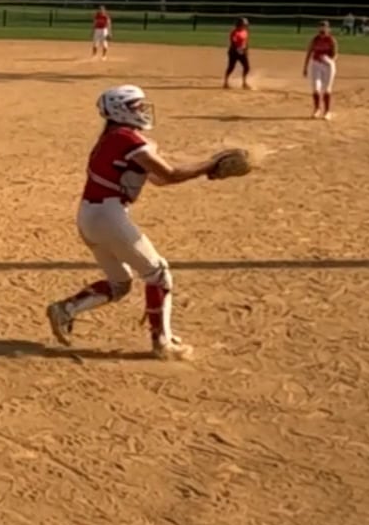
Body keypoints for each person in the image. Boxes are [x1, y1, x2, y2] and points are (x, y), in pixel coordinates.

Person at [45, 85, 231, 361]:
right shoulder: (125, 139)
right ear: (119, 110)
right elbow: (169, 174)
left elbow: (157, 179)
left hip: (91, 215)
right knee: (158, 274)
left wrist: (203, 171)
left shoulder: (116, 137)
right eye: (136, 106)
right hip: (108, 215)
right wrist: (210, 164)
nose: (142, 110)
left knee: (119, 284)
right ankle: (162, 342)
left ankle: (66, 309)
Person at [304, 20, 338, 119]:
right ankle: (317, 109)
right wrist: (305, 67)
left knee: (327, 89)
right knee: (316, 88)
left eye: (324, 27)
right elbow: (309, 53)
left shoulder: (331, 40)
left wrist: (330, 61)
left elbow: (335, 54)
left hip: (328, 66)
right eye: (321, 27)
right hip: (316, 64)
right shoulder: (315, 40)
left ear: (328, 29)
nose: (322, 29)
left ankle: (327, 112)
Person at [224, 17, 252, 89]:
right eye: (244, 24)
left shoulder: (245, 31)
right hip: (233, 52)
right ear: (239, 24)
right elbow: (233, 42)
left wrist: (246, 50)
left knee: (247, 67)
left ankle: (244, 83)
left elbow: (245, 42)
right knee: (231, 67)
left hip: (242, 51)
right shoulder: (234, 32)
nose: (245, 25)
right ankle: (226, 82)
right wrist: (238, 49)